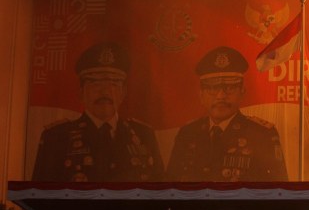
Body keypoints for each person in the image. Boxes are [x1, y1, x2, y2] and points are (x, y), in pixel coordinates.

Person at [31, 41, 164, 182]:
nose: (105, 91)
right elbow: (41, 195)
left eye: (113, 83)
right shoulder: (56, 137)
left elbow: (161, 193)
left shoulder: (144, 135)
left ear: (123, 92)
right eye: (95, 83)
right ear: (81, 92)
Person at [167, 46, 288, 182]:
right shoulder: (187, 134)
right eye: (212, 88)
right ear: (201, 95)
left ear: (242, 91)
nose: (221, 96)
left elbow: (277, 189)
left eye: (229, 88)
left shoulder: (261, 134)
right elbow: (170, 187)